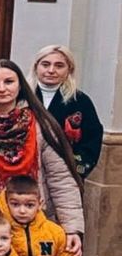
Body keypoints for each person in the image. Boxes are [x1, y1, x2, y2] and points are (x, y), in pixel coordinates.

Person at [0, 59, 83, 254]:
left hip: (37, 220)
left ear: (20, 85)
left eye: (9, 82)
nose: (2, 89)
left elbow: (60, 178)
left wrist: (72, 228)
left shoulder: (41, 124)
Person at [31, 45, 103, 178]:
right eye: (45, 64)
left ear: (69, 69)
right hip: (23, 175)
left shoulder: (80, 101)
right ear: (36, 67)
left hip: (64, 176)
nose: (51, 70)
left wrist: (72, 170)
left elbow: (92, 139)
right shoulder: (21, 97)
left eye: (59, 66)